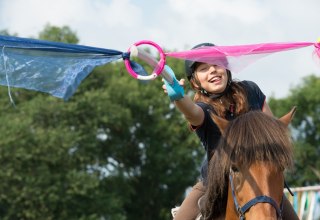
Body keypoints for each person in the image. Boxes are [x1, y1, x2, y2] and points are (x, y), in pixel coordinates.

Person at [162, 43, 299, 220]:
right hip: (214, 183)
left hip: (261, 179)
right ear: (195, 81)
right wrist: (179, 97)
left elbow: (272, 132)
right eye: (204, 68)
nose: (212, 70)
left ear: (226, 69)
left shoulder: (251, 90)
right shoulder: (204, 109)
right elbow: (192, 112)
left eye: (217, 64)